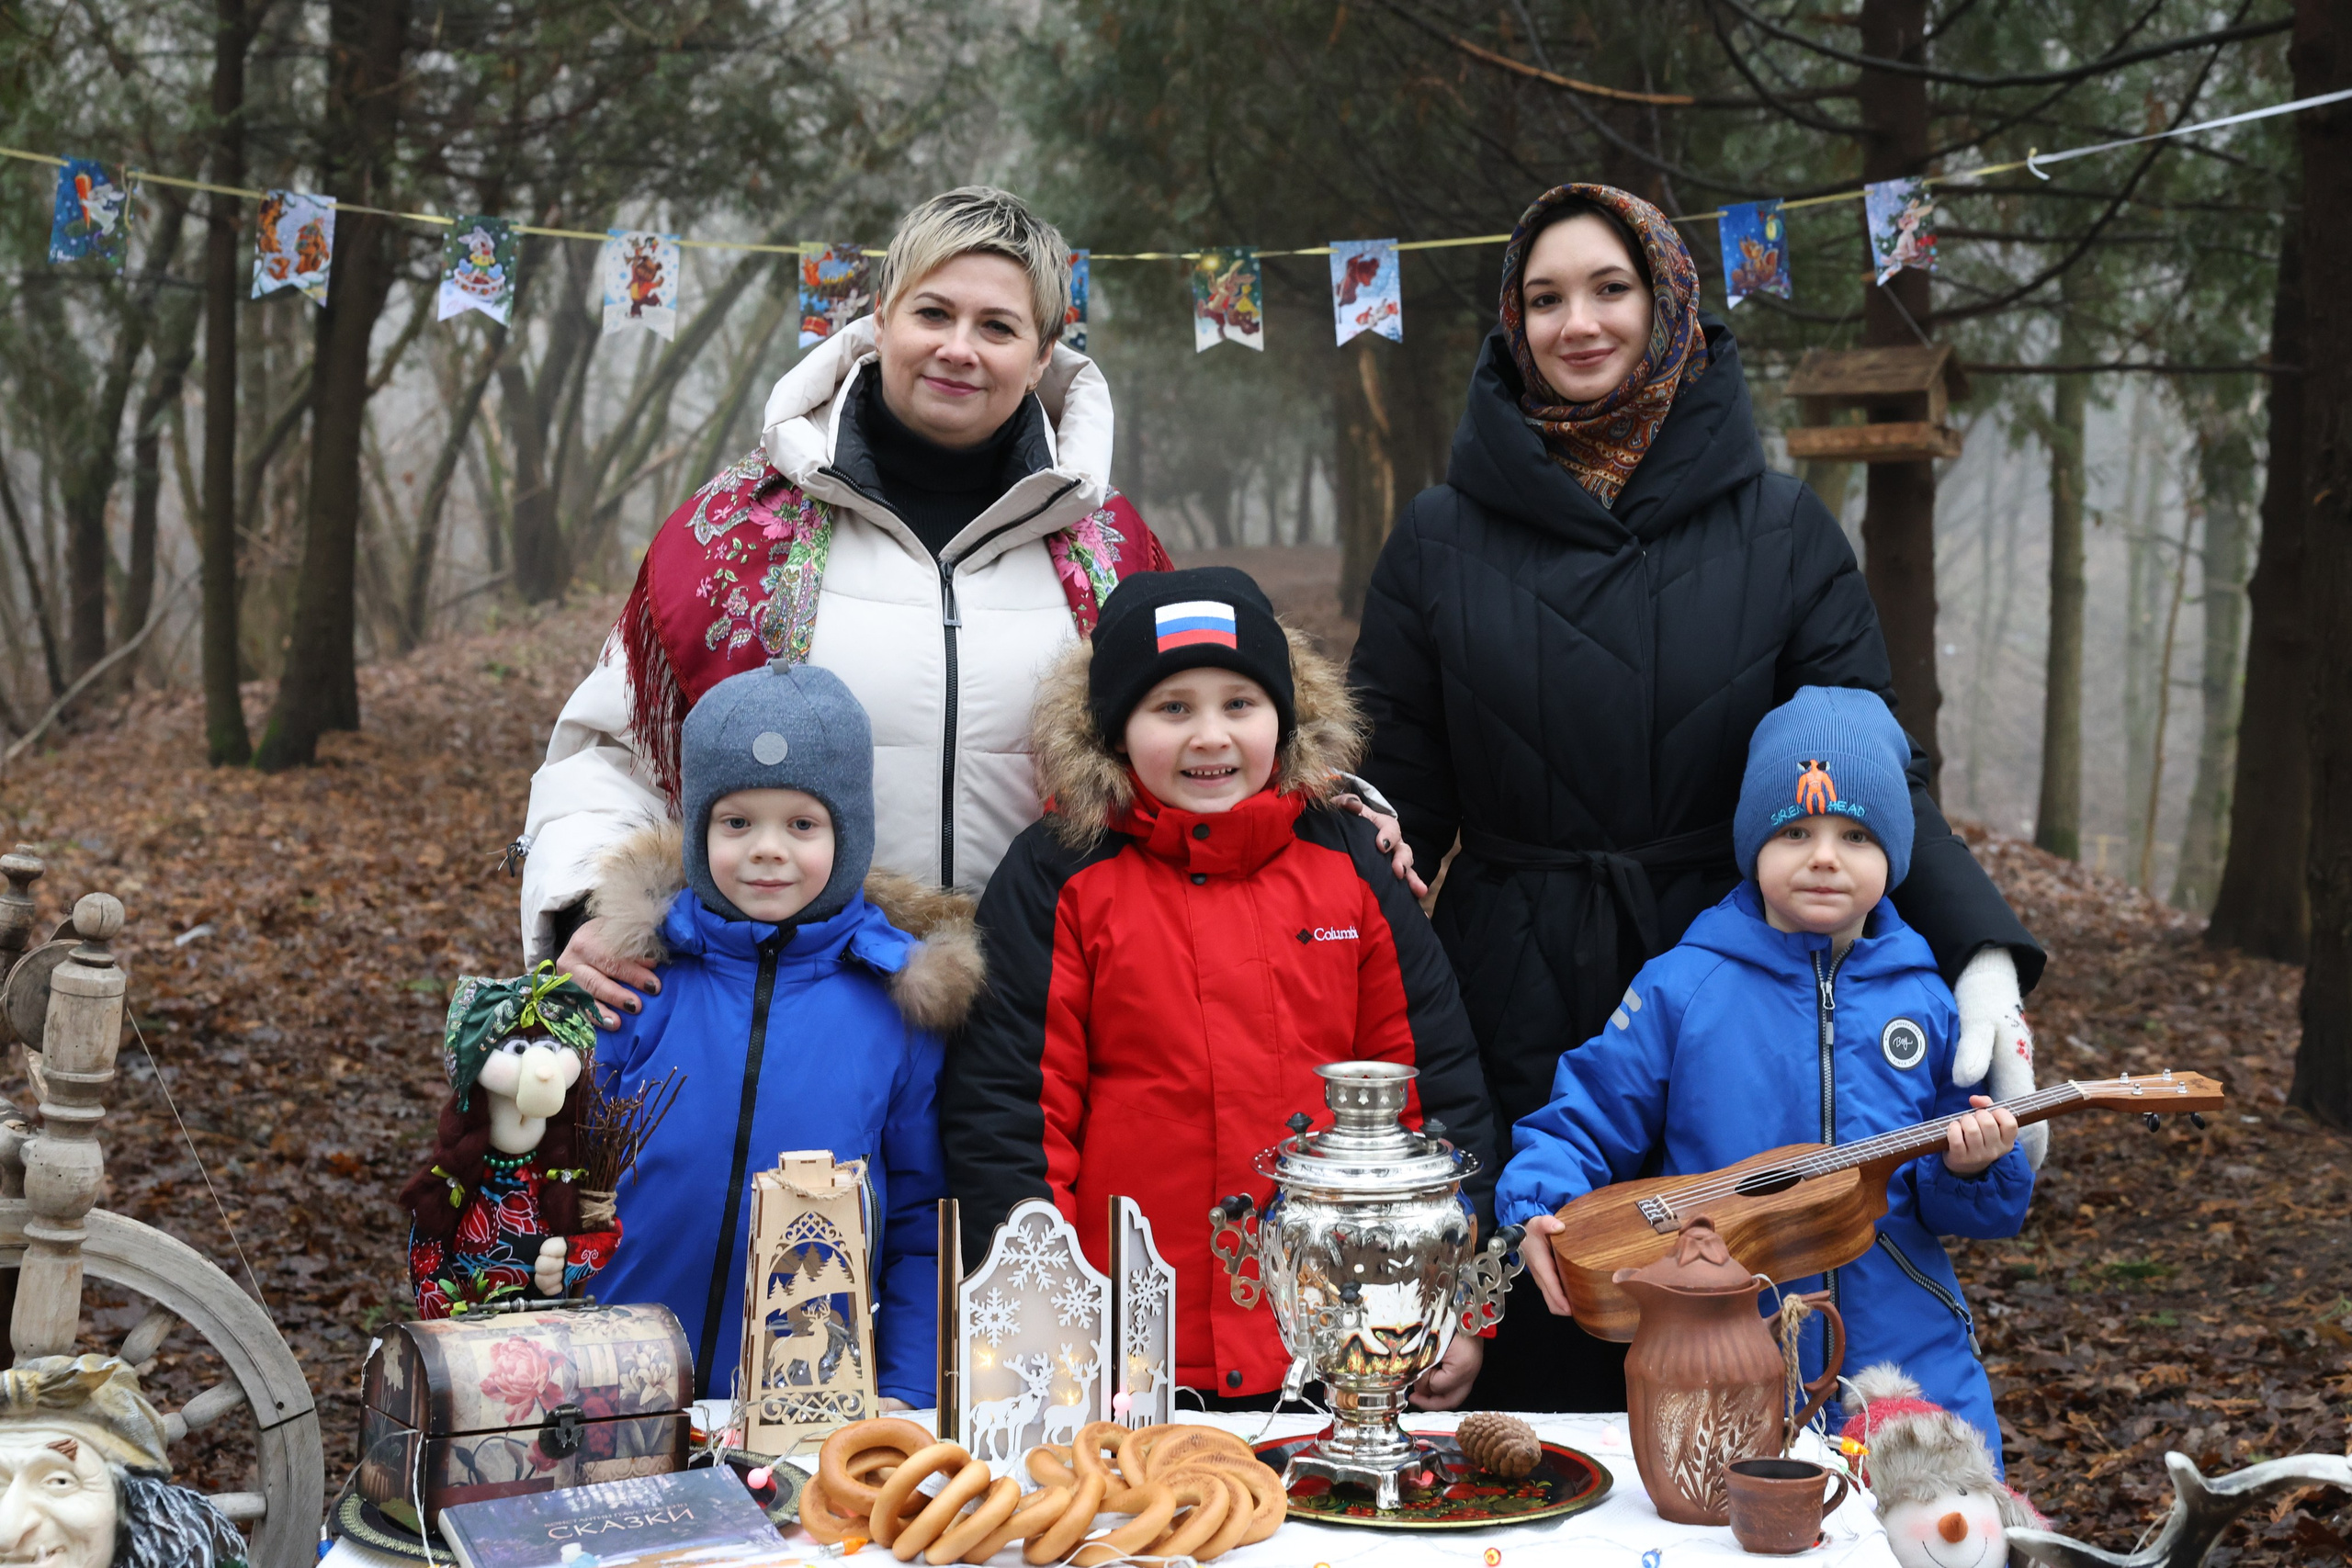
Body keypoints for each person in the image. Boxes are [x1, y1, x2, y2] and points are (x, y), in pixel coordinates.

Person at [1346, 182, 2045, 1411]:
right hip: (1511, 977)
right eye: (1547, 297)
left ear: (1669, 302)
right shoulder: (1438, 538)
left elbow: (1873, 767)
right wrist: (1349, 890)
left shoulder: (1781, 529)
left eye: (1610, 288)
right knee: (1543, 1331)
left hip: (1740, 979)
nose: (1580, 323)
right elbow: (1393, 789)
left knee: (1741, 1352)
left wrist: (1980, 951)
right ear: (1511, 323)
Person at [517, 186, 1173, 1021]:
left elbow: (1218, 740)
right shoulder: (731, 530)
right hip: (784, 1010)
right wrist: (586, 903)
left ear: (1044, 355)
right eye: (932, 313)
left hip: (1058, 1017)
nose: (958, 349)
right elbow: (613, 757)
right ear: (880, 318)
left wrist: (1354, 830)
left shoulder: (1112, 547)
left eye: (998, 327)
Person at [942, 567, 1500, 1409]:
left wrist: (1445, 1303)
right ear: (1113, 728)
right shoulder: (1059, 876)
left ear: (1284, 716)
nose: (1211, 736)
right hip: (1122, 1354)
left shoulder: (1349, 866)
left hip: (1332, 1345)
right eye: (1173, 708)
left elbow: (1432, 1091)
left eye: (1240, 703)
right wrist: (1040, 1313)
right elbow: (1014, 1113)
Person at [1500, 686, 2032, 1458]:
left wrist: (1977, 1166)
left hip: (1908, 1362)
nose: (1824, 855)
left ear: (1895, 855)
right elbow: (1586, 1111)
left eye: (1855, 833)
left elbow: (1974, 1207)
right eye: (1794, 830)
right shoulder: (1683, 984)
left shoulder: (1927, 999)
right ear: (1754, 844)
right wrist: (1540, 1200)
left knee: (1938, 1535)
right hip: (1722, 1350)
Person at [583, 659, 983, 1404]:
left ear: (849, 834)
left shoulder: (895, 1005)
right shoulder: (640, 979)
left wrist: (904, 1386)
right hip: (625, 1379)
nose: (768, 848)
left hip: (809, 1395)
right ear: (700, 829)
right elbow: (565, 1177)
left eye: (802, 824)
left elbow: (923, 1221)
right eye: (737, 822)